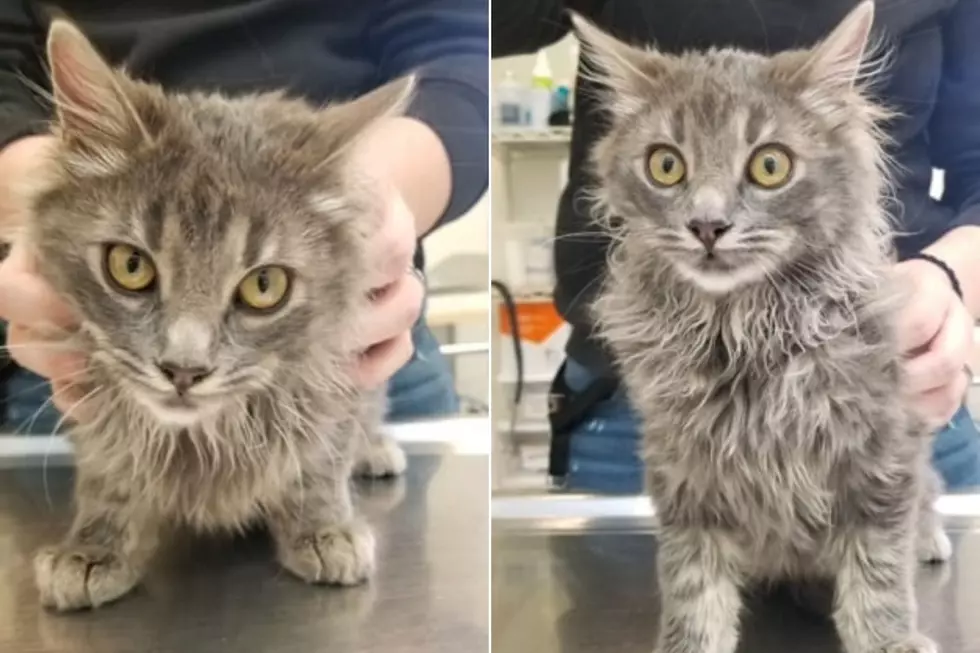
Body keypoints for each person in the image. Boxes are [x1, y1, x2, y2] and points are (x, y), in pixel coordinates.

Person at [493, 0, 980, 491]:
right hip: (648, 408)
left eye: (769, 166)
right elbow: (473, 28)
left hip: (893, 396)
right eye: (668, 166)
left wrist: (951, 274)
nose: (710, 221)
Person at [0, 0, 488, 431]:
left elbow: (459, 52)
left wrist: (365, 200)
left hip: (348, 348)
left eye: (261, 286)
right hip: (72, 354)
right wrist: (50, 199)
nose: (186, 361)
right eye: (133, 268)